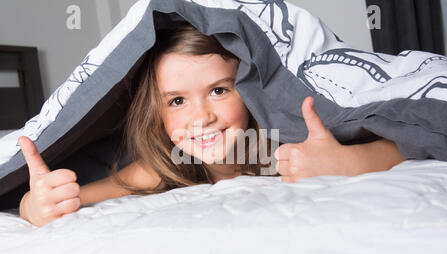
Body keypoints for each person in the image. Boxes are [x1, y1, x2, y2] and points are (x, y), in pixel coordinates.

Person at [17, 21, 406, 227]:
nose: (201, 118)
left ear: (250, 91)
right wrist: (32, 205)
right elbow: (77, 197)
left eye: (219, 91)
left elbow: (404, 142)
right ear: (157, 112)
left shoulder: (278, 144)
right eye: (177, 101)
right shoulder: (164, 165)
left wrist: (349, 163)